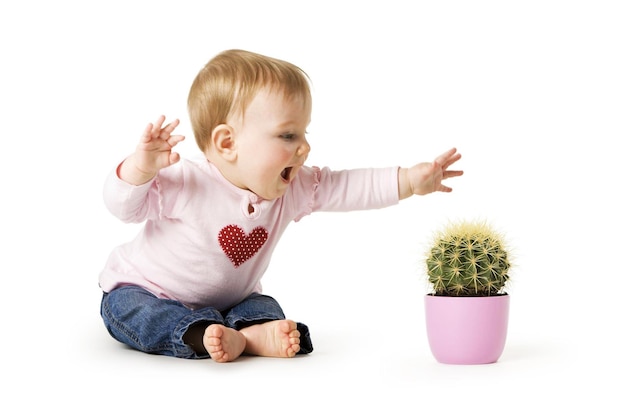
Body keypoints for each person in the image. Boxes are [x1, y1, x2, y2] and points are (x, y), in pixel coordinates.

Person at [99, 49, 463, 363]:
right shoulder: (186, 181)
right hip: (145, 288)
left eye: (305, 133)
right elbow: (123, 208)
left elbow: (346, 186)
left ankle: (252, 332)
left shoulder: (293, 188)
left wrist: (409, 181)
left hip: (231, 300)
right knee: (131, 311)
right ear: (227, 143)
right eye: (288, 135)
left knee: (260, 305)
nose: (304, 147)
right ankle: (198, 335)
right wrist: (140, 168)